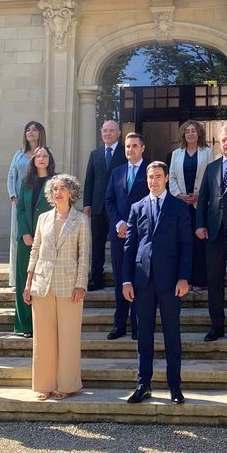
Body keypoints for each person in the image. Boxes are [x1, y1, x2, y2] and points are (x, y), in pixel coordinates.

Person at [122, 161, 192, 405]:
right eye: (150, 177)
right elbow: (130, 247)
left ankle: (175, 386)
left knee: (172, 334)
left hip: (171, 280)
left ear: (165, 179)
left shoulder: (178, 207)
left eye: (158, 176)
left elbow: (186, 245)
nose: (154, 180)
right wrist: (126, 280)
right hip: (142, 281)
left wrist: (184, 277)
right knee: (144, 336)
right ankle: (144, 384)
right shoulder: (137, 207)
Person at [22, 174, 89, 401]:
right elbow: (35, 250)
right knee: (43, 338)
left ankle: (67, 384)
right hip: (42, 284)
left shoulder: (80, 220)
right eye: (54, 189)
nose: (57, 192)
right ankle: (44, 384)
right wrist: (28, 282)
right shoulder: (43, 218)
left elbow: (84, 256)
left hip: (69, 285)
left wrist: (81, 285)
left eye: (62, 188)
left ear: (71, 193)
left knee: (68, 337)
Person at [195, 125, 227, 342]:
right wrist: (200, 225)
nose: (225, 144)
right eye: (221, 141)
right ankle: (217, 325)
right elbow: (203, 200)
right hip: (214, 234)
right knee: (214, 282)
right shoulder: (212, 167)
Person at [103, 132, 149, 340]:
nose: (130, 150)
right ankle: (119, 324)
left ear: (142, 148)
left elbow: (152, 201)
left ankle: (138, 326)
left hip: (141, 236)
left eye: (134, 146)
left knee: (139, 279)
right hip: (119, 234)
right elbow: (109, 200)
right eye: (127, 146)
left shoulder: (151, 172)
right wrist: (120, 223)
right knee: (121, 279)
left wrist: (135, 226)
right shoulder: (117, 172)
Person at [14, 146, 56, 338]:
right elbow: (20, 209)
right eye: (38, 156)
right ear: (33, 160)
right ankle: (25, 326)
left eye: (45, 156)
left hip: (49, 240)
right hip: (27, 239)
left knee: (45, 281)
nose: (41, 159)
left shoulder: (56, 181)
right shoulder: (26, 182)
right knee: (25, 281)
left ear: (49, 159)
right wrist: (24, 233)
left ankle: (45, 325)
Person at [168, 120, 213, 290]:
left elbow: (212, 177)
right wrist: (179, 195)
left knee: (199, 243)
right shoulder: (176, 154)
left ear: (199, 133)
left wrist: (200, 195)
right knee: (182, 242)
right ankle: (183, 279)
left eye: (194, 131)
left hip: (200, 205)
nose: (191, 134)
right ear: (183, 134)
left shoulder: (208, 152)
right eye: (187, 131)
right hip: (181, 205)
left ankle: (199, 281)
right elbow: (171, 177)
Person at [83, 120, 126, 291]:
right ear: (101, 132)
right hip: (98, 207)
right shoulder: (95, 154)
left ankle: (121, 280)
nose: (108, 133)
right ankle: (96, 279)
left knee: (119, 244)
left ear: (119, 133)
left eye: (112, 131)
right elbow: (89, 180)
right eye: (105, 130)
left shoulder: (125, 152)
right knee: (97, 244)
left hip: (118, 206)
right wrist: (87, 203)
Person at [7, 121, 46, 291]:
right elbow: (11, 176)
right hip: (20, 203)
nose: (30, 132)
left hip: (38, 202)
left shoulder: (45, 153)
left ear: (40, 133)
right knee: (18, 239)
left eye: (34, 129)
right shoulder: (18, 154)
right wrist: (13, 195)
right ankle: (17, 279)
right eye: (27, 129)